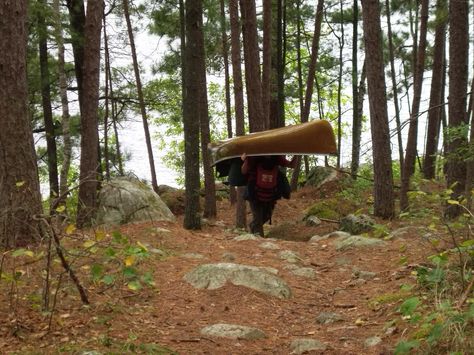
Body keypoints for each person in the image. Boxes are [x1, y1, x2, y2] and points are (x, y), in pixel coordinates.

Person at [241, 153, 297, 236]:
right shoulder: (254, 157)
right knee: (258, 218)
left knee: (266, 216)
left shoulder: (276, 157)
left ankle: (253, 227)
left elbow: (291, 165)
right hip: (254, 193)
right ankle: (259, 241)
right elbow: (244, 171)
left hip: (270, 194)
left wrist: (297, 154)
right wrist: (246, 160)